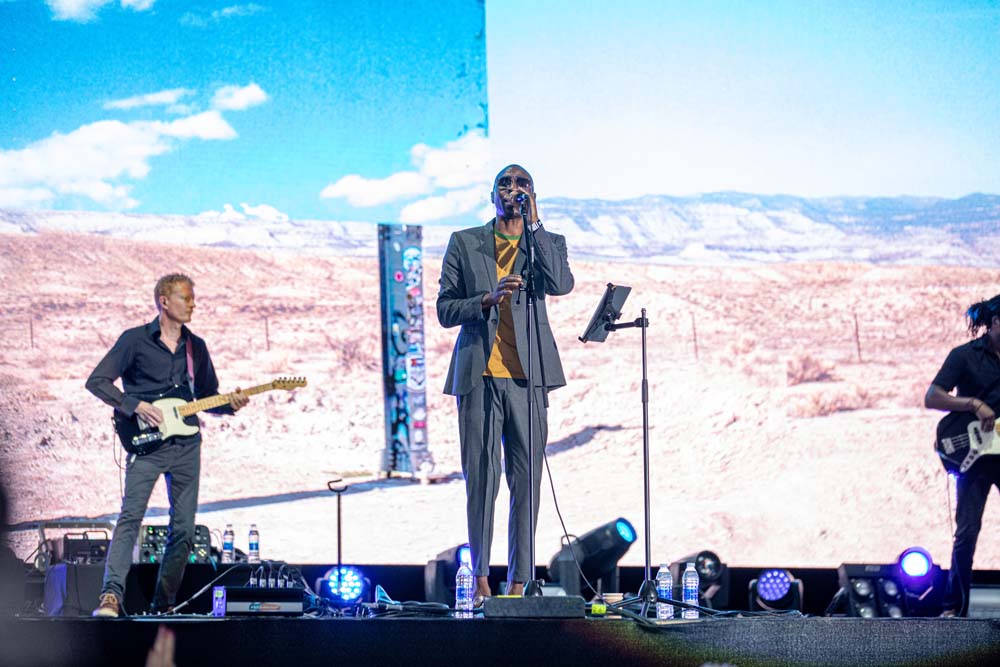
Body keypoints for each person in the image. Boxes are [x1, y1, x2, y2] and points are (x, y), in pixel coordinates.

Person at [437, 164, 574, 603]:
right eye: (505, 183)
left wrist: (535, 225)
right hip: (478, 376)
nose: (512, 189)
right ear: (491, 194)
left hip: (528, 379)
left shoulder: (548, 242)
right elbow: (444, 309)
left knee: (527, 480)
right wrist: (486, 299)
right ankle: (478, 579)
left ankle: (519, 583)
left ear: (532, 194)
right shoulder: (465, 241)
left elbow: (561, 284)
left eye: (522, 184)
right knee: (481, 479)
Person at [86, 274, 248, 617]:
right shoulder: (134, 341)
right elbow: (97, 381)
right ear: (164, 301)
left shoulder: (196, 347)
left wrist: (229, 404)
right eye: (185, 298)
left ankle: (164, 604)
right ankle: (111, 596)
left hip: (187, 445)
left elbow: (207, 396)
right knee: (130, 518)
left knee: (185, 529)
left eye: (193, 298)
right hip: (147, 445)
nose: (192, 304)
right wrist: (134, 405)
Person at [925, 294, 1000, 617]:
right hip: (975, 457)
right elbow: (932, 397)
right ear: (995, 323)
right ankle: (954, 607)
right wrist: (972, 403)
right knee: (967, 531)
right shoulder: (965, 356)